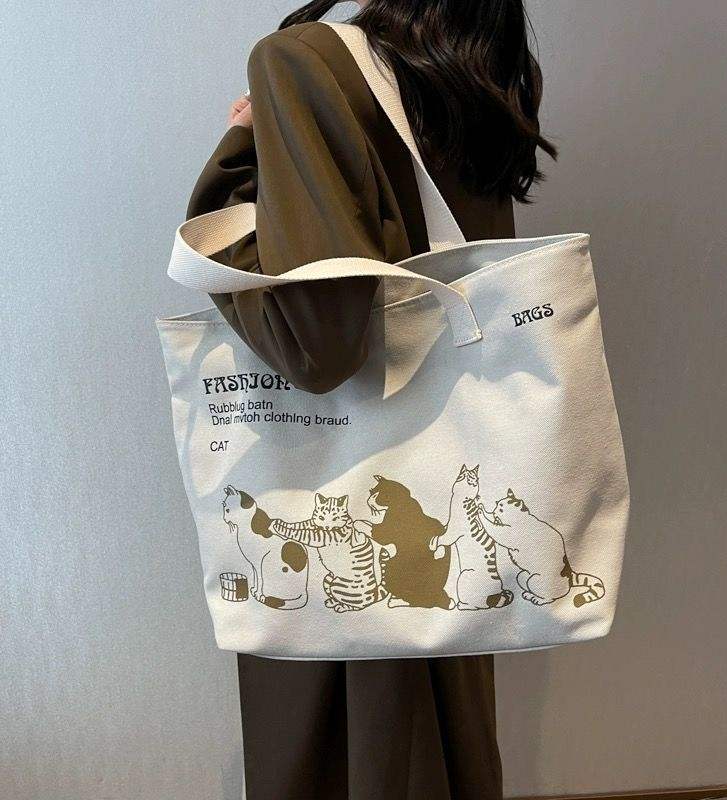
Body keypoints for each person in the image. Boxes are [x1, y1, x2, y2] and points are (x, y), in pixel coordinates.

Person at [186, 1, 556, 797]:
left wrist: (243, 147)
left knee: (347, 751)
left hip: (340, 496)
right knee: (444, 741)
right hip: (452, 478)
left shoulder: (305, 62)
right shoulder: (479, 72)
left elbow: (315, 345)